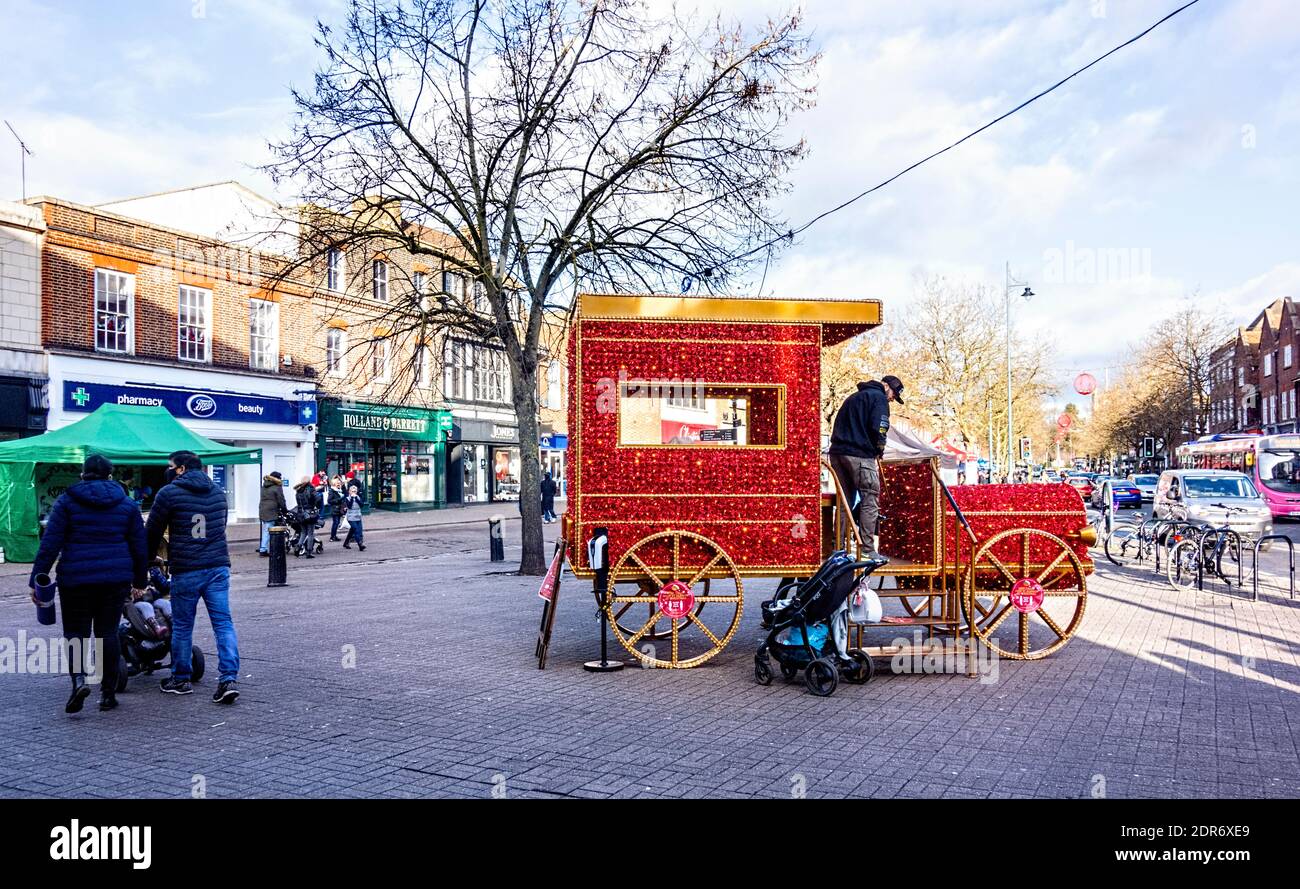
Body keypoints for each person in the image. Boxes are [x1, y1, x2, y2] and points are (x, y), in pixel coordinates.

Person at [28, 454, 147, 714]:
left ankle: (79, 681)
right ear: (110, 475)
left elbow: (50, 544)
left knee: (76, 633)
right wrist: (140, 580)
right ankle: (107, 693)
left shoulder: (67, 502)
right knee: (107, 632)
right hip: (115, 579)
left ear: (83, 475)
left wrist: (36, 580)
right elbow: (140, 547)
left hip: (75, 579)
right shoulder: (126, 505)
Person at [146, 450, 241, 704]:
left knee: (184, 625)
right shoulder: (218, 493)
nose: (168, 470)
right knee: (223, 623)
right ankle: (228, 678)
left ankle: (181, 678)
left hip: (187, 568)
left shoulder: (168, 493)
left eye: (170, 466)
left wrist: (147, 558)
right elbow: (219, 528)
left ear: (181, 469)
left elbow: (152, 531)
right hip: (217, 566)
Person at [827, 374, 904, 559]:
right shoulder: (879, 398)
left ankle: (838, 548)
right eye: (893, 393)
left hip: (837, 453)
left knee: (844, 501)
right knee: (870, 500)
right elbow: (880, 427)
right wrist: (880, 448)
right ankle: (868, 549)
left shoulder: (853, 397)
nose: (892, 398)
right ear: (886, 386)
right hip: (860, 455)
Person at [257, 470, 287, 556]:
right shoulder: (277, 487)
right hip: (272, 511)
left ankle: (265, 547)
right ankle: (264, 549)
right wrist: (285, 510)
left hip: (263, 509)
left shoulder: (264, 486)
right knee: (268, 530)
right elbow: (281, 499)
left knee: (266, 529)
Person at [293, 476, 319, 558]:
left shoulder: (298, 491)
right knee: (310, 533)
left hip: (300, 514)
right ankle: (309, 552)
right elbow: (317, 499)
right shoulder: (311, 489)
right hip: (309, 514)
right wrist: (314, 505)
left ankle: (298, 547)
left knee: (303, 533)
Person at [342, 484, 366, 551]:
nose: (353, 492)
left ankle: (346, 543)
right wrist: (352, 498)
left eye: (355, 491)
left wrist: (356, 498)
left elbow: (361, 505)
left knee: (354, 530)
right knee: (356, 530)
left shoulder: (358, 497)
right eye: (352, 491)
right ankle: (360, 545)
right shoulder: (347, 498)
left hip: (358, 516)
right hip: (351, 517)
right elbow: (349, 506)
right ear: (349, 492)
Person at [327, 476, 346, 541]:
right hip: (334, 509)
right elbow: (329, 501)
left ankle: (334, 536)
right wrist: (339, 499)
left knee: (337, 523)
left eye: (339, 483)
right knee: (336, 523)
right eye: (337, 483)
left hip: (339, 509)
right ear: (334, 484)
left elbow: (344, 489)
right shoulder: (332, 491)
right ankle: (332, 537)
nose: (339, 484)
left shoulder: (340, 490)